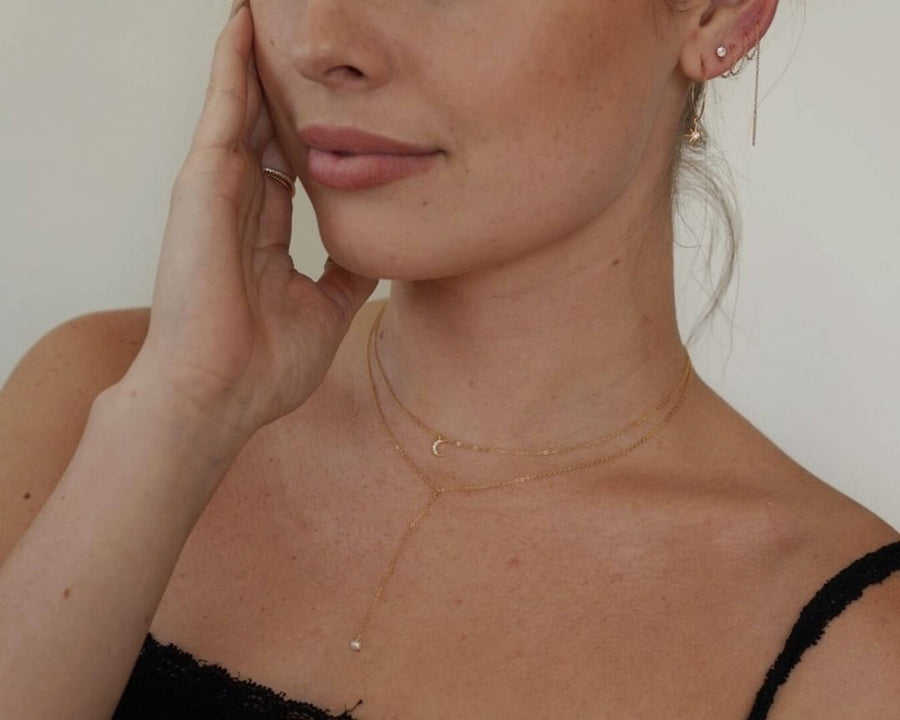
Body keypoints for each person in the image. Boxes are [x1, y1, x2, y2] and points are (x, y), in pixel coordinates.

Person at [1, 0, 898, 718]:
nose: (321, 43)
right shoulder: (99, 408)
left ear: (717, 14)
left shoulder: (851, 656)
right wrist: (179, 417)